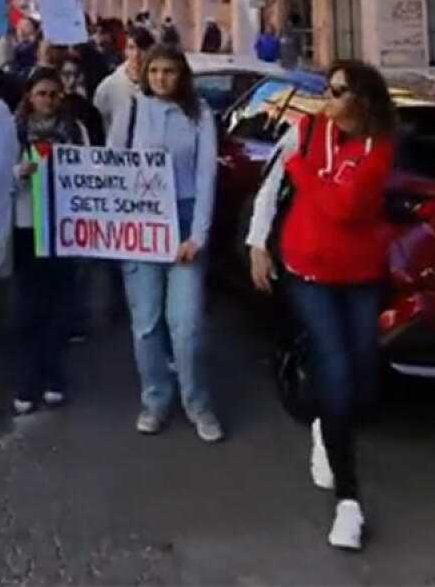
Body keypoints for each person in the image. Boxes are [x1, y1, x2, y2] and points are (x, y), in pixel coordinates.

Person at [247, 59, 396, 551]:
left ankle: (322, 421)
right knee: (334, 369)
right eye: (328, 88)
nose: (327, 98)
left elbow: (345, 208)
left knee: (361, 375)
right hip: (307, 270)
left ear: (363, 101)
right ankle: (348, 503)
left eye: (338, 91)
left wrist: (303, 168)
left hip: (360, 275)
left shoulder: (380, 147)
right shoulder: (306, 130)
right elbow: (271, 185)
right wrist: (258, 243)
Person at [108, 44, 221, 443]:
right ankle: (155, 399)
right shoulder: (132, 109)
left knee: (186, 324)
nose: (161, 78)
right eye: (154, 70)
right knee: (146, 323)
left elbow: (207, 177)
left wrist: (198, 235)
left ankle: (197, 402)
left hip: (184, 221)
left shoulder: (199, 113)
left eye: (169, 71)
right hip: (140, 223)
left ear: (181, 75)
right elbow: (111, 167)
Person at [10, 68, 88, 414]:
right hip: (27, 225)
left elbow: (90, 172)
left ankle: (55, 374)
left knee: (59, 305)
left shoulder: (75, 130)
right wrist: (18, 173)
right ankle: (28, 379)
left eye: (54, 94)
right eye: (41, 93)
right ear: (30, 96)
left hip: (63, 227)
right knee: (29, 307)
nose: (48, 100)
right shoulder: (13, 131)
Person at [93, 25, 154, 133]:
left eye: (142, 49)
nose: (136, 54)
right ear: (125, 51)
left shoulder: (158, 85)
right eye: (131, 48)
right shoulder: (109, 87)